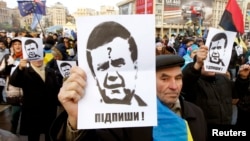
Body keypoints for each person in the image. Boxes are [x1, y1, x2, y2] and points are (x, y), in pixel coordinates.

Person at [49, 54, 207, 141]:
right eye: (164, 79)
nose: (174, 86)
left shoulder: (196, 113)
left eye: (178, 78)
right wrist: (76, 120)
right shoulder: (126, 117)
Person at [181, 45, 250, 140]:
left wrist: (243, 78)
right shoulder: (194, 83)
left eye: (213, 62)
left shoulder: (222, 79)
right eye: (206, 63)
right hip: (203, 133)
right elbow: (186, 82)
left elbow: (237, 93)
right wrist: (197, 64)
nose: (211, 66)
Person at [86, 21, 147, 106]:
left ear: (136, 68)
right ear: (94, 75)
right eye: (103, 68)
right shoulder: (85, 113)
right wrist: (73, 118)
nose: (112, 76)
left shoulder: (155, 112)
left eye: (119, 65)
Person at [9, 58, 61, 141]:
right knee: (33, 135)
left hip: (49, 110)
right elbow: (14, 82)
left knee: (50, 134)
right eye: (35, 58)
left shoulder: (50, 71)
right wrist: (20, 68)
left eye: (39, 57)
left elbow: (56, 89)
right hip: (33, 111)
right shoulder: (25, 71)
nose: (37, 60)